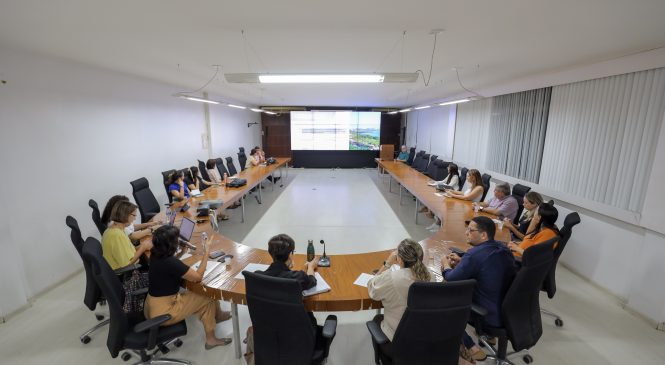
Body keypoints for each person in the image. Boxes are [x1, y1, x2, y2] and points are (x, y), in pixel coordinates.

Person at [144, 226, 232, 350]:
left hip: (151, 307)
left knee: (203, 299)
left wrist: (182, 253)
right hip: (164, 312)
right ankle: (211, 337)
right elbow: (197, 277)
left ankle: (218, 317)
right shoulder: (169, 262)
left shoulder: (155, 254)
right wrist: (206, 252)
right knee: (208, 294)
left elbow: (170, 267)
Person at [441, 216, 516, 361]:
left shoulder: (474, 254)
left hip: (487, 314)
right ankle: (490, 337)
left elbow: (451, 277)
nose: (466, 233)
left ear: (483, 235)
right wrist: (463, 262)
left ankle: (470, 347)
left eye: (470, 230)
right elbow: (488, 267)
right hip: (508, 310)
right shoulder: (503, 249)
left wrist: (445, 264)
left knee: (443, 304)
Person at [244, 234, 318, 362]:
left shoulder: (257, 277)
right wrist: (310, 267)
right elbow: (311, 280)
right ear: (290, 255)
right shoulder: (297, 278)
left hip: (268, 338)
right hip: (297, 342)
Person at [367, 239, 431, 341]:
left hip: (399, 337)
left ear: (399, 260)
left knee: (377, 319)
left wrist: (387, 264)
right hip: (424, 335)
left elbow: (373, 289)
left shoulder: (392, 278)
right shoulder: (430, 276)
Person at [101, 200, 153, 270]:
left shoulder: (113, 229)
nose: (134, 219)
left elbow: (128, 251)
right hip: (127, 274)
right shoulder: (117, 235)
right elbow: (127, 264)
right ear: (125, 215)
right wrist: (143, 247)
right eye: (134, 215)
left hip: (119, 267)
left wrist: (143, 245)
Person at [423, 163, 462, 230]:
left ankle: (435, 219)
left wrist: (438, 186)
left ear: (451, 169)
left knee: (438, 202)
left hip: (451, 194)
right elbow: (443, 181)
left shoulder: (455, 177)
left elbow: (450, 186)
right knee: (433, 197)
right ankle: (432, 213)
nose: (447, 168)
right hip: (447, 192)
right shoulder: (450, 175)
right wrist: (435, 182)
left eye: (448, 167)